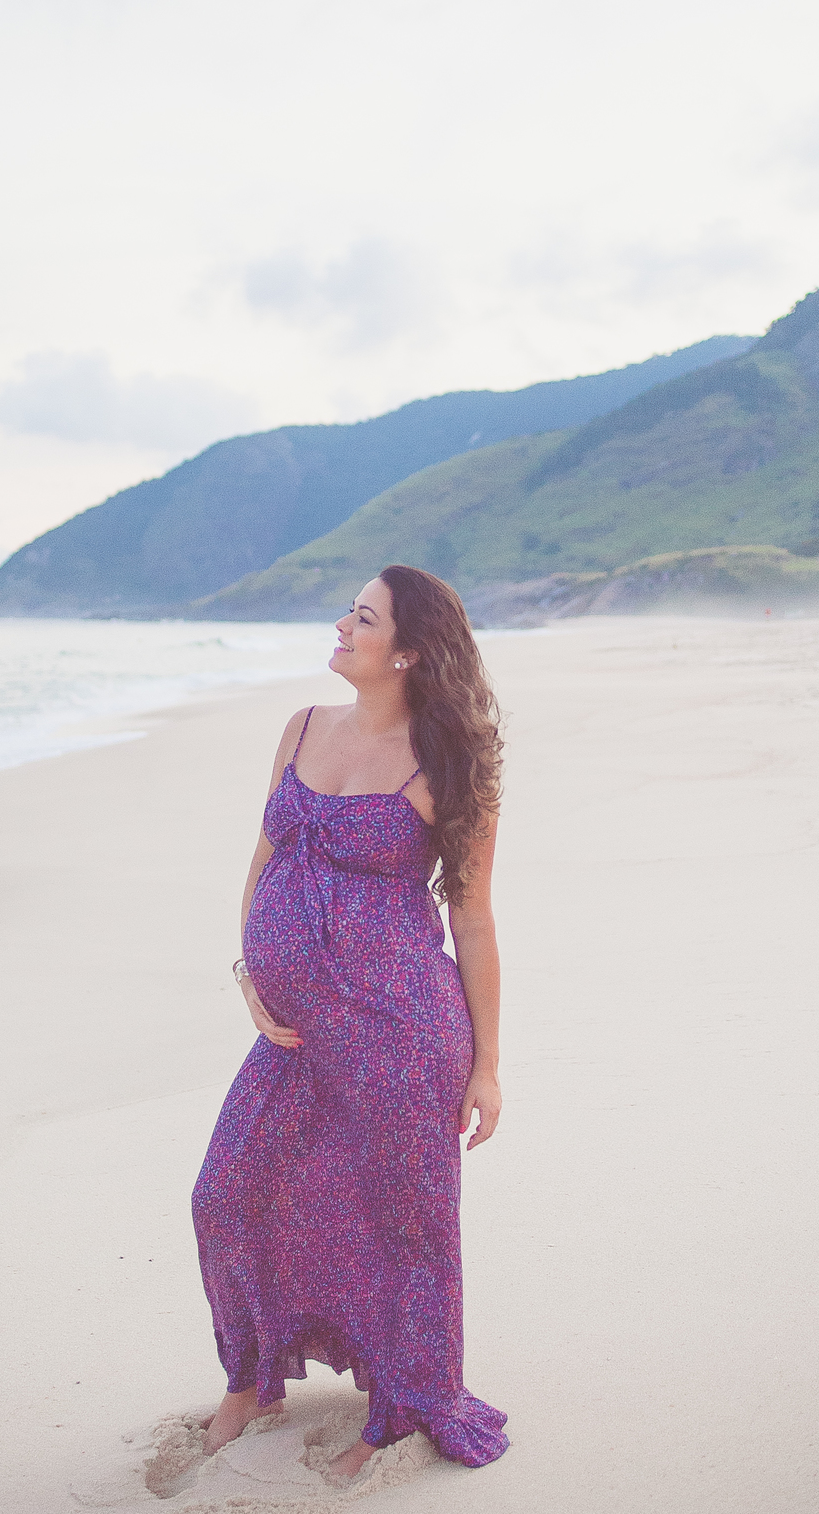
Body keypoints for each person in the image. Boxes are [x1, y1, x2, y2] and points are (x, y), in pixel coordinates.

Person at [191, 564, 508, 1478]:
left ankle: (400, 1413)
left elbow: (474, 916)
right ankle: (250, 1379)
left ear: (407, 652)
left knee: (407, 1223)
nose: (340, 624)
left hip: (401, 1030)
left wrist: (487, 1066)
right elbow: (265, 858)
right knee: (227, 1193)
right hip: (292, 1031)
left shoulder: (449, 762)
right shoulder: (299, 729)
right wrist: (252, 970)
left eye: (361, 618)